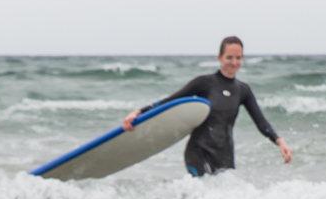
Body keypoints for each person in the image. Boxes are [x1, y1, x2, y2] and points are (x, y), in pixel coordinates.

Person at [121, 37, 293, 176]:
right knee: (202, 195)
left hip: (225, 155)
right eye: (229, 57)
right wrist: (138, 112)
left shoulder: (243, 90)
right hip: (199, 152)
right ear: (220, 57)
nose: (234, 62)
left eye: (238, 58)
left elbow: (260, 122)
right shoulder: (204, 83)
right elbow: (170, 101)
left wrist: (279, 141)